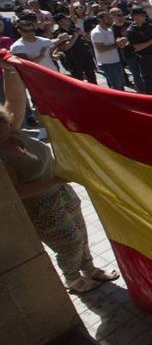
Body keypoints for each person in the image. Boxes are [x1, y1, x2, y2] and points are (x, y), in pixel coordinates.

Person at [0, 59, 120, 293]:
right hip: (40, 206)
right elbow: (14, 193)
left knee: (81, 232)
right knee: (69, 242)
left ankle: (90, 269)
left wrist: (10, 69)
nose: (2, 127)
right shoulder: (2, 158)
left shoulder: (13, 132)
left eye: (2, 122)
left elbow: (15, 101)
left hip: (60, 191)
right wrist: (57, 179)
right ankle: (73, 280)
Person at [125, 6, 152, 96]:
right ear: (135, 17)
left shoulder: (148, 26)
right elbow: (138, 47)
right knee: (149, 82)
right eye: (142, 15)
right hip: (145, 59)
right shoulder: (131, 31)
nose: (145, 17)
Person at [53, 15, 98, 84]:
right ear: (60, 22)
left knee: (92, 78)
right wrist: (75, 36)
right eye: (65, 19)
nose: (68, 20)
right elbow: (65, 47)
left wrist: (84, 34)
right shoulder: (59, 33)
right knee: (78, 80)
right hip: (73, 60)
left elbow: (90, 40)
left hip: (85, 56)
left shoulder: (75, 28)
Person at [89, 11, 126, 91]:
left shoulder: (109, 30)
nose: (111, 20)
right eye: (107, 18)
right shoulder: (96, 33)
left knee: (121, 83)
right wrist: (117, 45)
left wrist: (120, 42)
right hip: (107, 63)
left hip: (116, 60)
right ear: (100, 20)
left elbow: (113, 44)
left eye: (111, 18)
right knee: (117, 86)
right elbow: (101, 49)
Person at [111, 8, 143, 92]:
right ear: (112, 17)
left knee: (145, 72)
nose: (122, 16)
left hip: (140, 51)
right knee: (136, 73)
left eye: (122, 14)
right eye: (119, 15)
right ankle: (142, 91)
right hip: (127, 54)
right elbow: (118, 43)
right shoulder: (112, 29)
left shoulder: (130, 24)